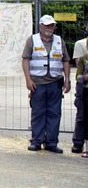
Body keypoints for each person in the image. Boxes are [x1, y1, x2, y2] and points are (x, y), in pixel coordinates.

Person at [22, 14, 71, 153]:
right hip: (37, 83)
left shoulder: (59, 41)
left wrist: (67, 79)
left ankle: (51, 142)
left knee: (54, 113)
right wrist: (28, 79)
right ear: (40, 26)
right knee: (38, 112)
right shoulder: (32, 40)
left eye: (52, 25)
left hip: (55, 83)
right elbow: (25, 60)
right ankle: (36, 141)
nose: (50, 28)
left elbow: (65, 60)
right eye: (47, 25)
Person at [71, 20, 88, 153]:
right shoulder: (80, 44)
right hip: (84, 87)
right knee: (82, 114)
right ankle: (78, 142)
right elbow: (79, 69)